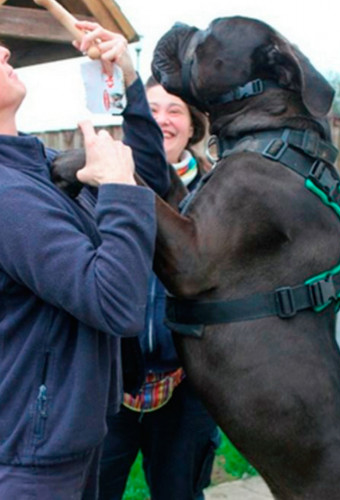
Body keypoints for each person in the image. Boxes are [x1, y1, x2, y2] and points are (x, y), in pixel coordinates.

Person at [0, 22, 170, 500]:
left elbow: (149, 186)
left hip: (67, 438)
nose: (5, 47)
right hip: (28, 457)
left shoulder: (37, 166)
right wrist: (115, 187)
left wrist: (129, 81)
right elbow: (114, 303)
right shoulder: (8, 195)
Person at [97, 78, 219, 500]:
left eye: (175, 111)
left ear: (192, 128)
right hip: (110, 383)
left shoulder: (217, 195)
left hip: (186, 386)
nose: (162, 121)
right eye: (151, 109)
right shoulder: (103, 187)